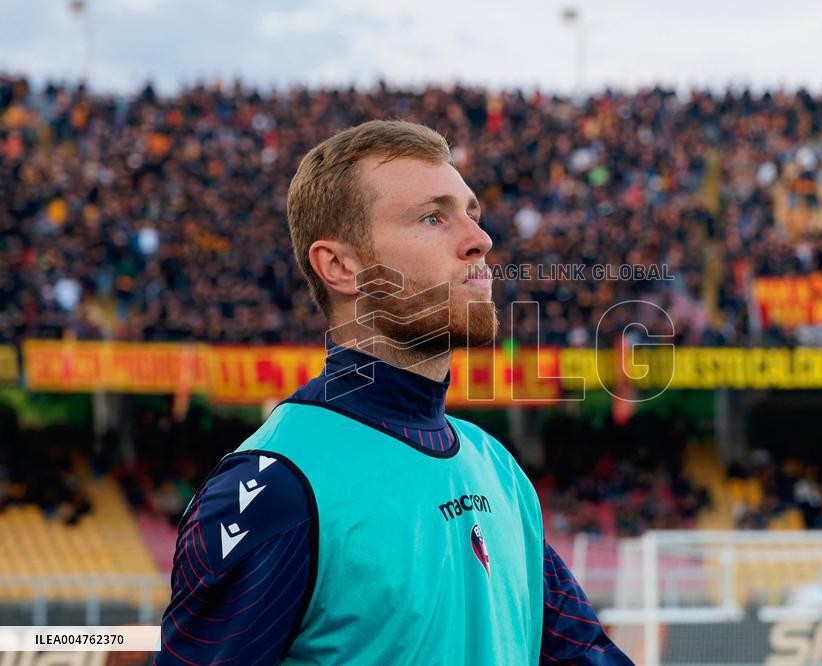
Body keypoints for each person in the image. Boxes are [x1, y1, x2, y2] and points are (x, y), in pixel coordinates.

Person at [157, 120, 632, 665]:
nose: (480, 240)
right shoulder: (274, 488)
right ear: (340, 267)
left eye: (471, 215)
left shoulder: (498, 468)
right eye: (433, 218)